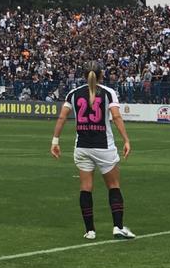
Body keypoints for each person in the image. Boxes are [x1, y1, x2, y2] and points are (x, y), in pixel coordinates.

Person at [51, 62, 135, 239]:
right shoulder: (108, 92)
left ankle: (90, 231)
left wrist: (55, 141)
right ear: (101, 75)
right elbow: (117, 116)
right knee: (113, 186)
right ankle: (118, 227)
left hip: (82, 146)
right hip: (103, 146)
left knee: (85, 188)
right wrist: (126, 140)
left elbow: (62, 117)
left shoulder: (73, 94)